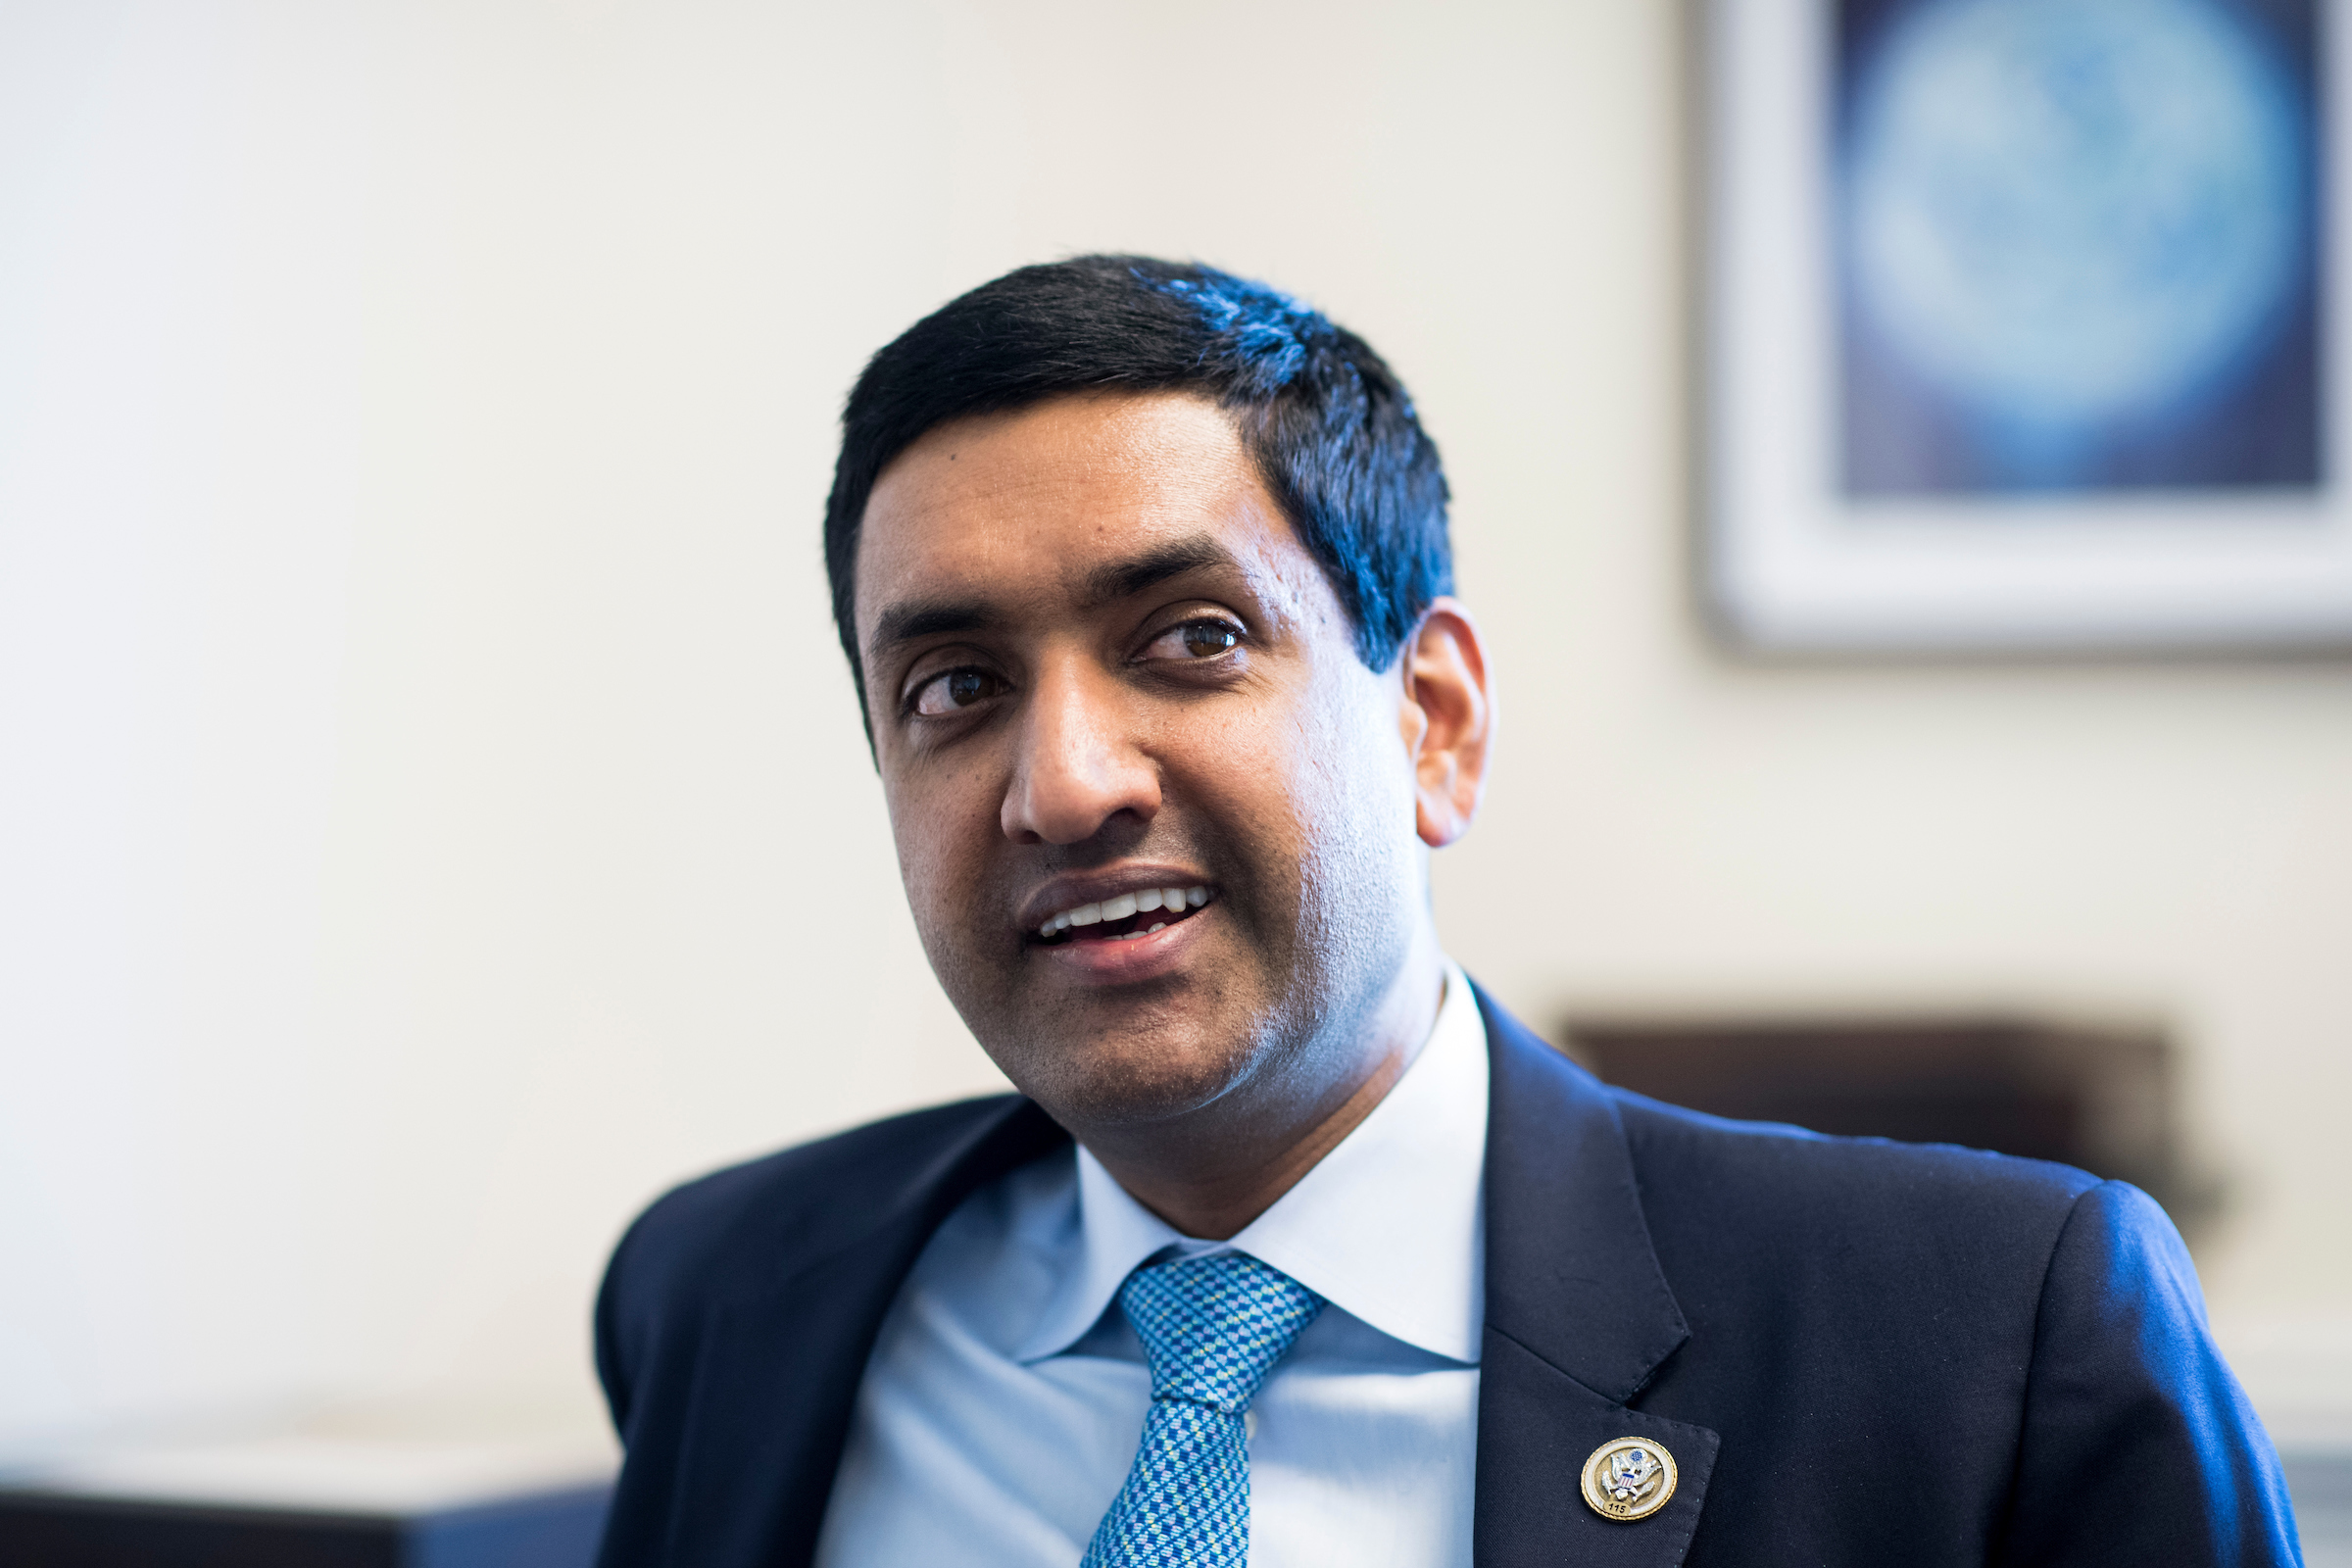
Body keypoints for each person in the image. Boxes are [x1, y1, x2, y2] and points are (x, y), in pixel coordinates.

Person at [590, 257, 2300, 1568]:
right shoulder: (730, 1293)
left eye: (1190, 639)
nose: (1064, 783)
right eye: (954, 686)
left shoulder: (2000, 1338)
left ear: (1435, 721)